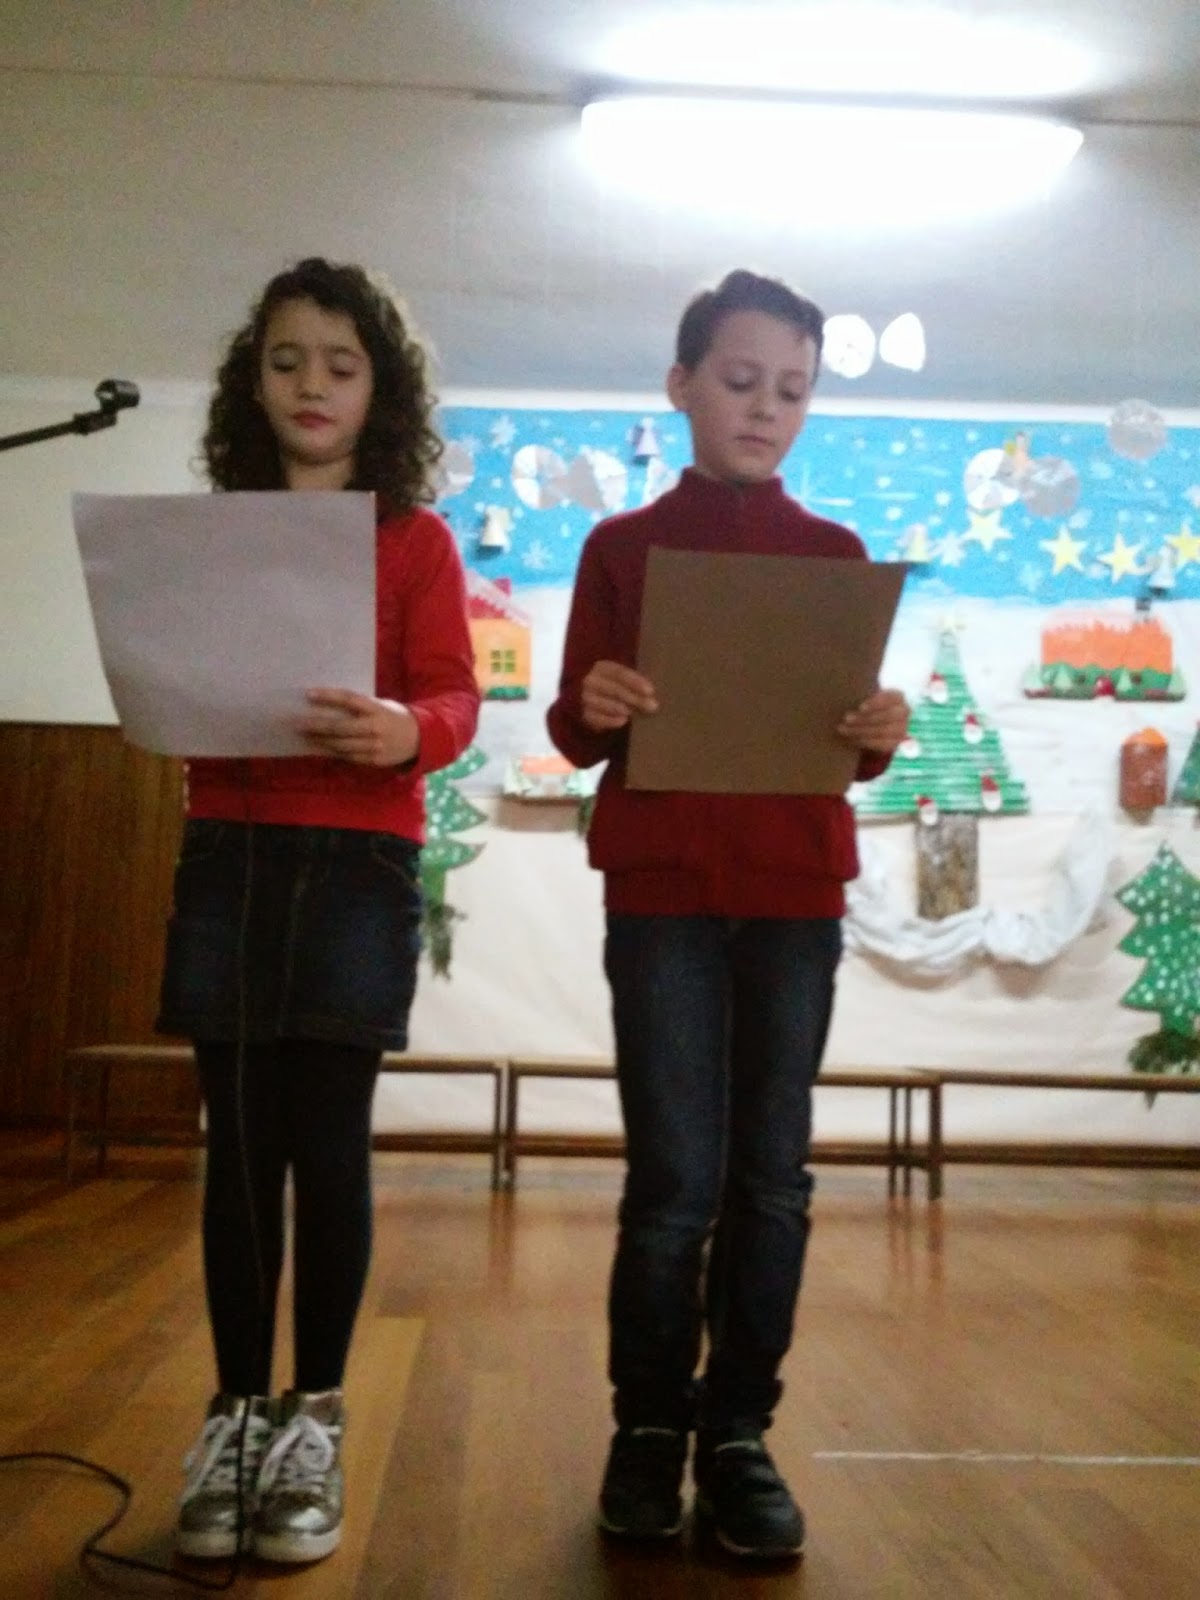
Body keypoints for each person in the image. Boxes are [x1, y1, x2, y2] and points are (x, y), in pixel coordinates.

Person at [546, 269, 910, 1561]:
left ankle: (739, 1434)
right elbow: (574, 728)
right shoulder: (619, 548)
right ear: (682, 384)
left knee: (772, 1178)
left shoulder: (837, 557)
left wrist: (881, 728)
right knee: (673, 1181)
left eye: (793, 390)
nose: (767, 408)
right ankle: (649, 1429)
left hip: (794, 897)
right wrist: (592, 701)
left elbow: (847, 749)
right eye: (742, 380)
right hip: (661, 900)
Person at [158, 258, 480, 1564]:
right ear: (252, 381)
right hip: (228, 851)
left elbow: (455, 699)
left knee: (328, 1146)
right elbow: (171, 678)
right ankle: (237, 1415)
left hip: (358, 862)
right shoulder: (212, 533)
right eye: (286, 359)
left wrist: (407, 730)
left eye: (342, 365)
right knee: (238, 1145)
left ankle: (316, 1419)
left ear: (378, 391)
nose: (312, 384)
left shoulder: (417, 541)